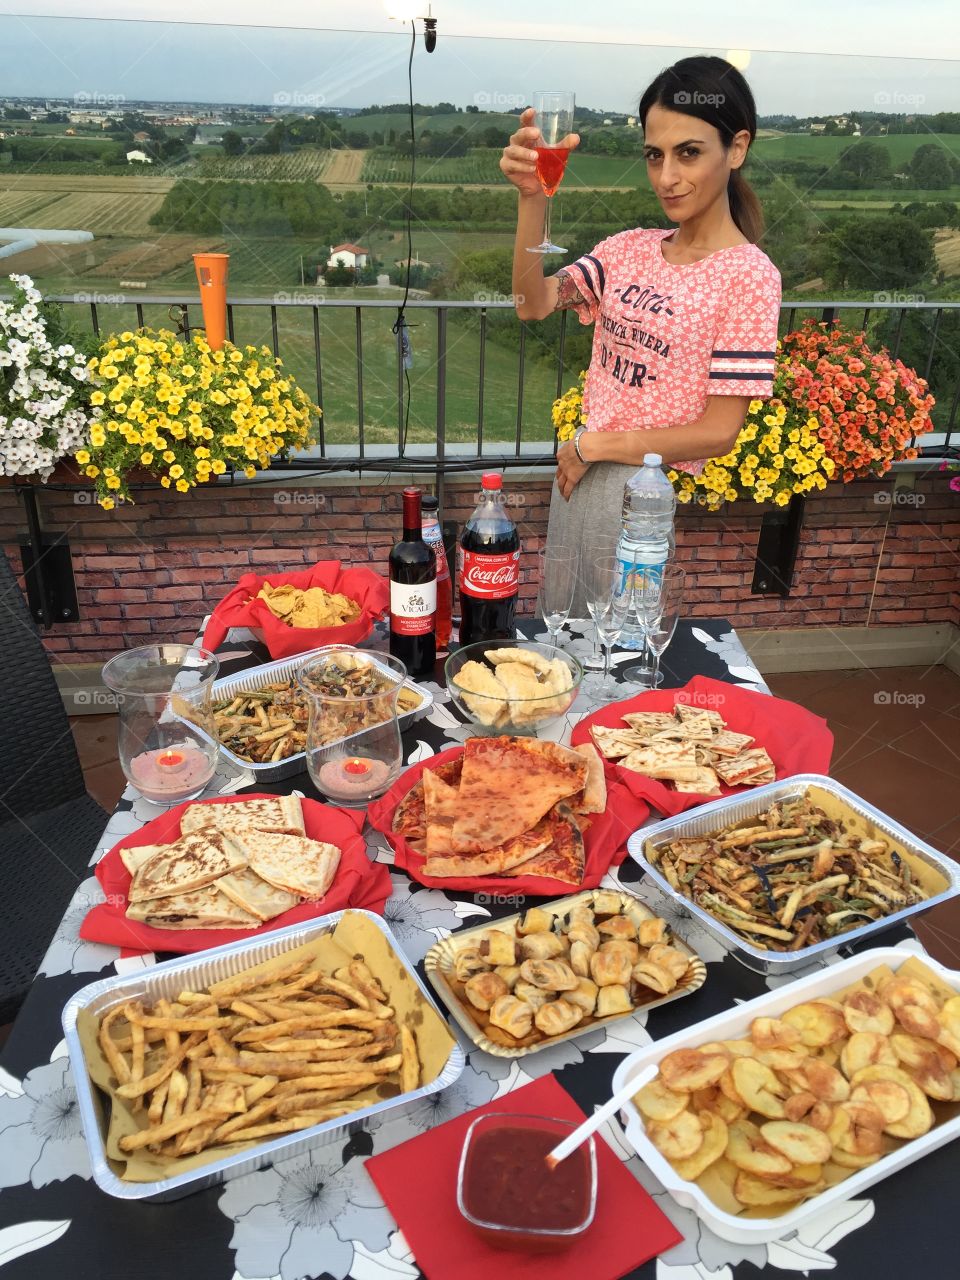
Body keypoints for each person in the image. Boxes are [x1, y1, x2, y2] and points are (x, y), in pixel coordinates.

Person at [501, 55, 782, 611]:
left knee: (623, 659)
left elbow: (718, 432)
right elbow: (532, 303)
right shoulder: (629, 249)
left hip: (647, 494)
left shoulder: (750, 276)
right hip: (580, 477)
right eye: (655, 156)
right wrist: (531, 200)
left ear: (738, 148)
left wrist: (595, 445)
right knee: (559, 646)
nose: (667, 177)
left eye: (689, 153)